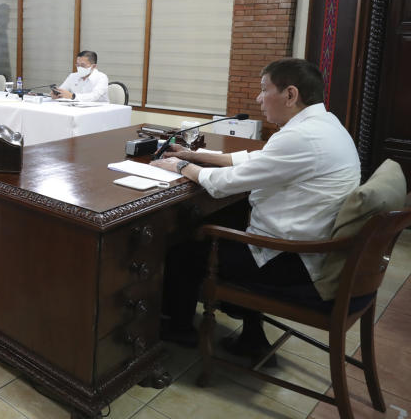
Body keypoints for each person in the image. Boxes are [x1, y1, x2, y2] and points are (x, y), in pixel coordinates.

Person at [152, 58, 360, 361]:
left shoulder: (301, 137)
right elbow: (254, 161)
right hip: (311, 247)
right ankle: (251, 334)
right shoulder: (324, 125)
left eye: (264, 90)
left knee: (184, 252)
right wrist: (194, 154)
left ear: (290, 95)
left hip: (289, 258)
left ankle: (179, 329)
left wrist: (179, 165)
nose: (258, 98)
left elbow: (224, 184)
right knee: (231, 222)